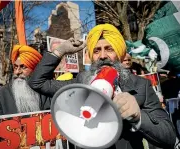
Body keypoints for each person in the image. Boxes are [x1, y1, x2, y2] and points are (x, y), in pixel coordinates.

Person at [28, 24, 176, 149]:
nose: (103, 56)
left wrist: (138, 117)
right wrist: (59, 51)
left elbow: (169, 137)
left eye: (109, 49)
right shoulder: (81, 81)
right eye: (97, 51)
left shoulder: (140, 85)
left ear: (119, 53)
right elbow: (37, 82)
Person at [0, 45, 52, 149]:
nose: (17, 72)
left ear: (34, 69)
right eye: (15, 67)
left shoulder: (45, 93)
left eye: (23, 67)